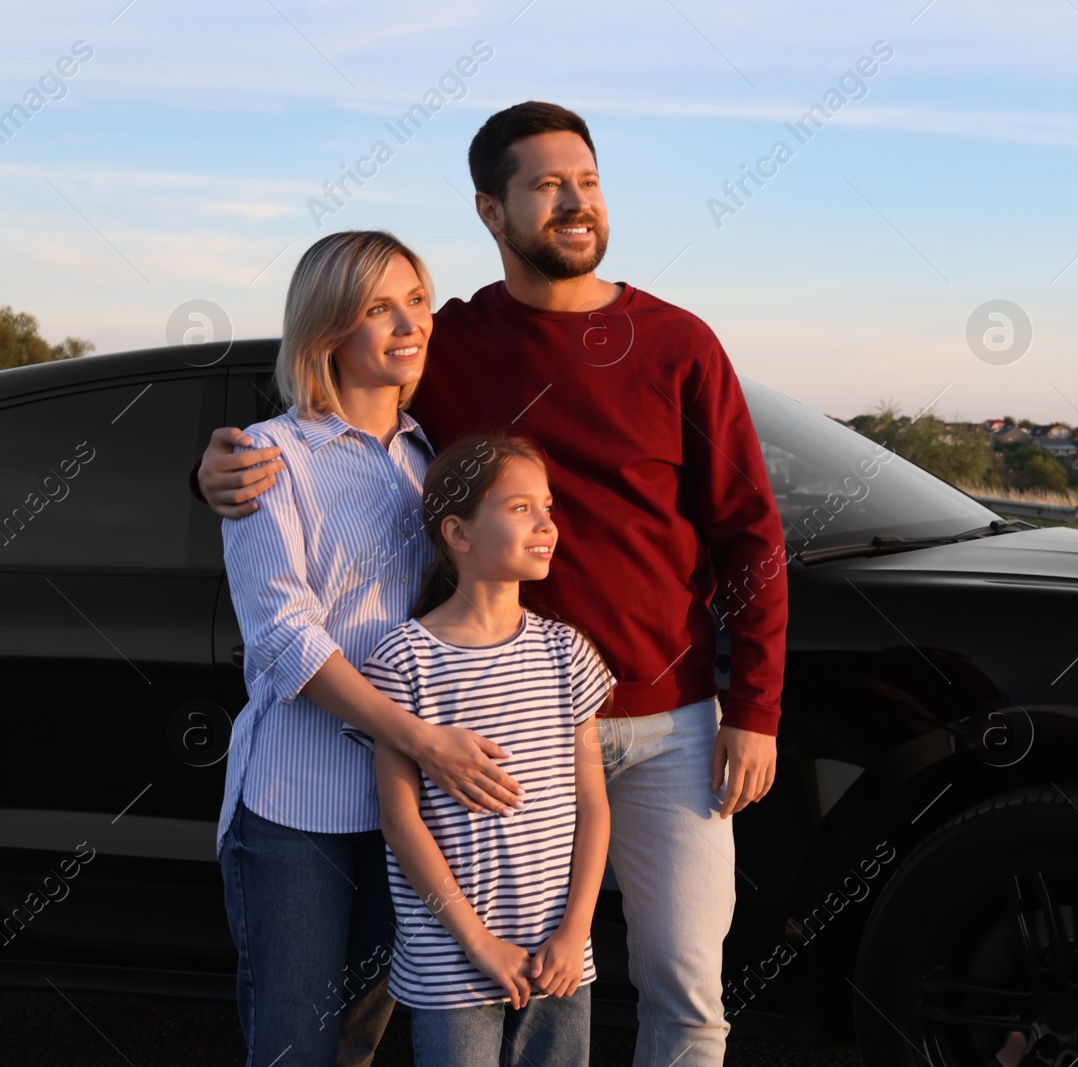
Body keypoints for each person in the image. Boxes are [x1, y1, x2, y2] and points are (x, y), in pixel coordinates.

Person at [195, 102, 788, 1067]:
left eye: (587, 181)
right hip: (492, 722)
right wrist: (213, 472)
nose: (574, 202)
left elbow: (751, 530)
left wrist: (754, 705)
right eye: (547, 185)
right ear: (492, 210)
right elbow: (321, 422)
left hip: (667, 718)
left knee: (678, 990)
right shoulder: (454, 346)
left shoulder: (677, 343)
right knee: (447, 988)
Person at [216, 230, 527, 1067]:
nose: (408, 323)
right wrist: (422, 737)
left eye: (417, 302)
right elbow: (285, 637)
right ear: (328, 330)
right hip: (296, 808)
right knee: (295, 1047)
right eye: (378, 307)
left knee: (357, 1041)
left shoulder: (436, 459)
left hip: (410, 810)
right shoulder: (267, 455)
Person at [346, 433, 612, 1067]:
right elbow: (400, 821)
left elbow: (594, 809)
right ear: (458, 534)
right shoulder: (402, 661)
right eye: (520, 508)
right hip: (453, 961)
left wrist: (575, 934)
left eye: (548, 507)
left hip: (559, 956)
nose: (546, 524)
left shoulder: (565, 654)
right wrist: (477, 943)